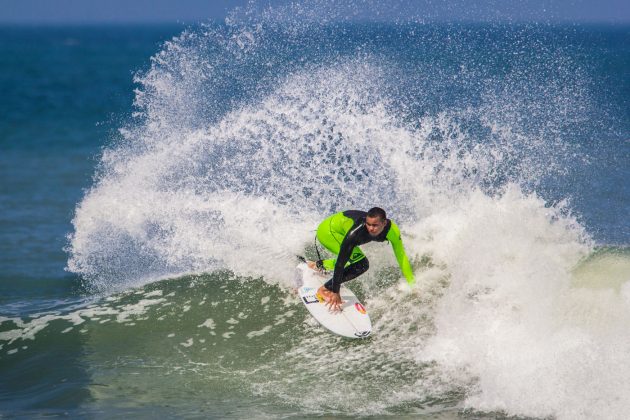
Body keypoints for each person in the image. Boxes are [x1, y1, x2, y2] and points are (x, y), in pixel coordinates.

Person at [307, 207, 415, 311]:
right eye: (368, 224)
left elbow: (402, 257)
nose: (371, 228)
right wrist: (336, 291)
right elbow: (340, 263)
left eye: (375, 225)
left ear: (384, 223)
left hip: (338, 225)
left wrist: (412, 284)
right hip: (329, 231)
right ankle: (325, 289)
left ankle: (318, 265)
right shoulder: (356, 233)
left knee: (353, 258)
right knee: (361, 264)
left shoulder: (393, 231)